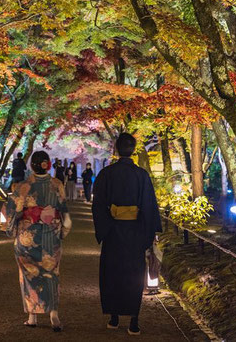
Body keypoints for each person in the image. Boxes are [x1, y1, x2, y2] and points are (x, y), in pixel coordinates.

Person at [92, 133, 162, 336]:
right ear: (133, 149)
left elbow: (98, 205)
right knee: (134, 274)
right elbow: (149, 206)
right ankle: (134, 320)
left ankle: (114, 317)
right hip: (135, 232)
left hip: (113, 231)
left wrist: (106, 226)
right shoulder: (141, 175)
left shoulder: (107, 173)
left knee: (112, 272)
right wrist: (148, 233)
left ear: (116, 149)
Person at [6, 151, 71, 332]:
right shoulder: (57, 185)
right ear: (48, 165)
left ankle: (32, 316)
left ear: (31, 166)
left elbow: (13, 212)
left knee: (29, 274)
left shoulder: (22, 187)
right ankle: (54, 315)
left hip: (28, 238)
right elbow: (64, 213)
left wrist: (12, 229)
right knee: (52, 273)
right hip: (51, 237)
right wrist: (63, 233)